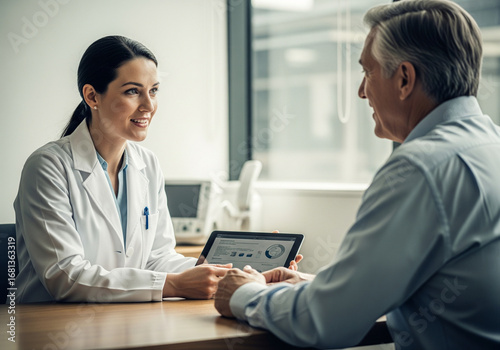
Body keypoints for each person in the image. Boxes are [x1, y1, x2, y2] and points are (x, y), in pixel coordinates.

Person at [214, 1, 500, 349]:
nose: (362, 91)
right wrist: (323, 286)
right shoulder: (489, 145)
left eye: (368, 72)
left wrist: (246, 295)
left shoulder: (420, 168)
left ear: (405, 79)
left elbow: (324, 323)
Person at [14, 36, 235, 303]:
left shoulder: (148, 164)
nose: (149, 106)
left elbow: (157, 258)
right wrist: (174, 285)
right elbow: (65, 276)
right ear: (92, 96)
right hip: (53, 329)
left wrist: (225, 273)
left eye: (153, 90)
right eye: (133, 91)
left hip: (125, 317)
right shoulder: (48, 167)